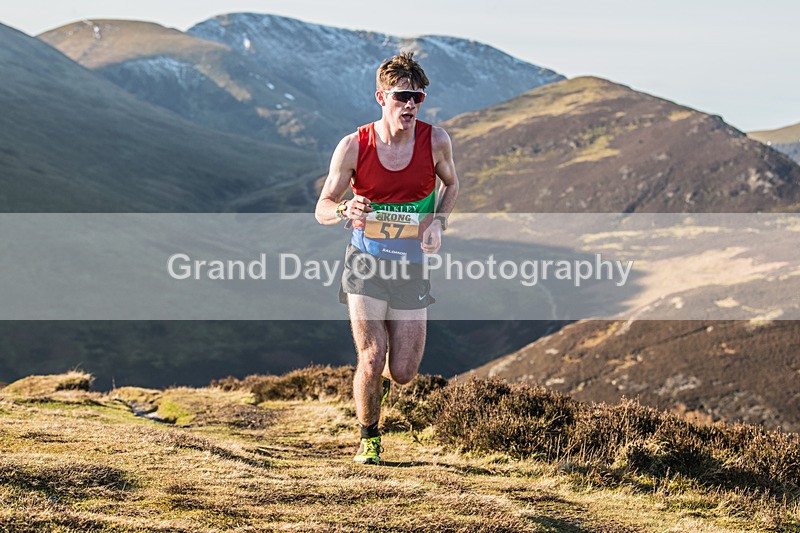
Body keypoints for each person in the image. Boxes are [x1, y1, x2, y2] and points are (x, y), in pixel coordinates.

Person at [314, 51, 459, 464]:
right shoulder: (353, 146)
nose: (411, 104)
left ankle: (380, 387)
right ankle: (369, 440)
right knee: (371, 355)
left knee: (404, 371)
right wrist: (344, 209)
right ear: (382, 97)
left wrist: (437, 224)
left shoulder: (436, 141)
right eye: (402, 96)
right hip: (365, 262)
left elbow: (452, 185)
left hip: (411, 265)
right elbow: (323, 206)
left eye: (418, 97)